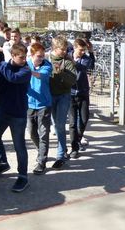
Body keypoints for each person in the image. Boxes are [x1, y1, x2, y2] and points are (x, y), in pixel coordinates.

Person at [0, 44, 32, 192]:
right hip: (2, 110)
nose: (24, 60)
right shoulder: (4, 66)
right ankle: (2, 163)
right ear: (13, 56)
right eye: (21, 57)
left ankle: (23, 177)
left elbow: (12, 78)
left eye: (25, 57)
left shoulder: (26, 70)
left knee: (19, 146)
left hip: (18, 114)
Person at [48, 35, 77, 169]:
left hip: (63, 96)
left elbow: (72, 80)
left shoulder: (67, 62)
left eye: (66, 49)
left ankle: (60, 155)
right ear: (54, 48)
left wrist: (61, 73)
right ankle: (61, 148)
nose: (65, 52)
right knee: (54, 125)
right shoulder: (47, 59)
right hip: (49, 96)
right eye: (62, 49)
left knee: (60, 124)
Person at [27, 42, 53, 175]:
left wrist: (28, 71)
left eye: (43, 56)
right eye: (39, 56)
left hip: (44, 104)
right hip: (29, 104)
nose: (42, 58)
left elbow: (40, 75)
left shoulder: (47, 65)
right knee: (31, 132)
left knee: (43, 133)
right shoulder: (26, 64)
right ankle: (40, 150)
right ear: (31, 55)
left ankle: (42, 161)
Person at [68, 38, 95, 158]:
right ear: (74, 48)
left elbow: (83, 67)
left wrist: (91, 52)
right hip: (70, 93)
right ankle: (74, 148)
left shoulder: (86, 59)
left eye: (84, 50)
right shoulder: (67, 56)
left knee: (84, 119)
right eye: (80, 50)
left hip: (83, 93)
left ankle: (78, 139)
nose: (83, 52)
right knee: (72, 122)